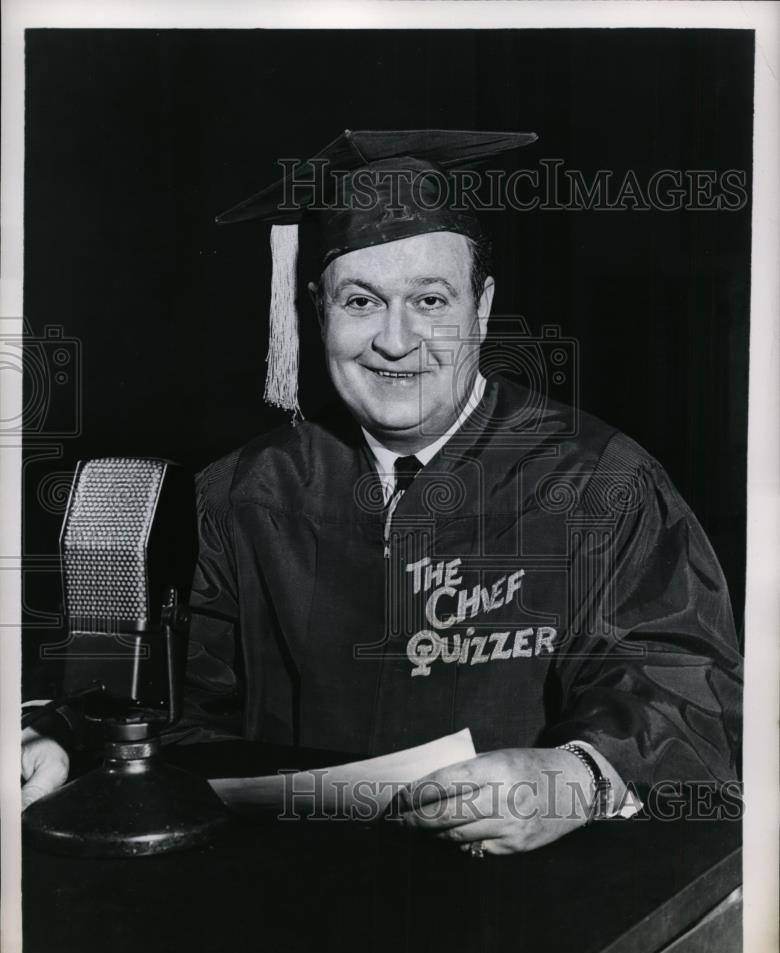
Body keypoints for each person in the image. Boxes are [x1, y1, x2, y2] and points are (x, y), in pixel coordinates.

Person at [22, 131, 742, 855]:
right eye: (360, 301)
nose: (396, 341)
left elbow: (691, 691)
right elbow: (173, 703)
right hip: (291, 891)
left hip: (524, 901)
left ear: (482, 309)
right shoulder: (241, 493)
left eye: (430, 299)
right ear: (315, 309)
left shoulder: (599, 483)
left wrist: (576, 777)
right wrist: (69, 737)